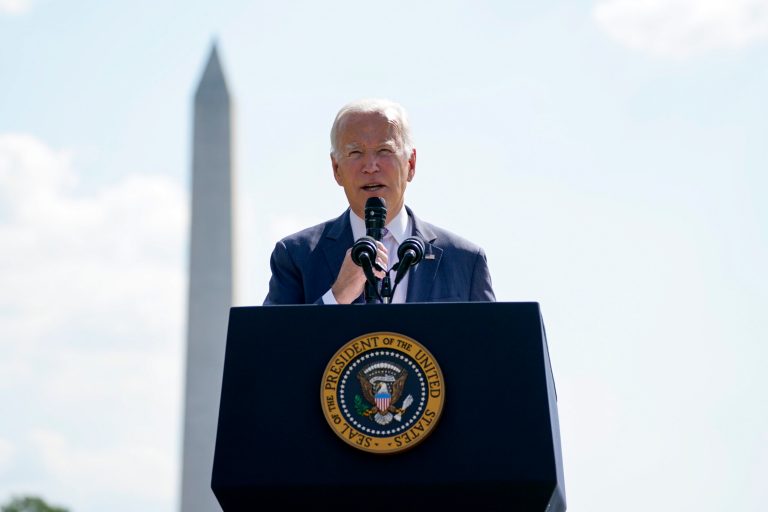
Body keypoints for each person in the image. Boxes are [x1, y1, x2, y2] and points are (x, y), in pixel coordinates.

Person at [263, 99, 495, 305]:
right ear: (336, 169)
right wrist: (337, 297)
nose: (371, 166)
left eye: (385, 150)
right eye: (355, 153)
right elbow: (272, 350)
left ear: (411, 164)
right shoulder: (296, 256)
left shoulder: (465, 261)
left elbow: (492, 350)